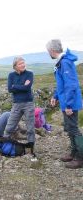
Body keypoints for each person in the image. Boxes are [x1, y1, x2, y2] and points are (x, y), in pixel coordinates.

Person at [46, 39, 83, 169]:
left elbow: (71, 85)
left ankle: (80, 158)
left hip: (70, 102)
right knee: (69, 128)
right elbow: (61, 84)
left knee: (73, 129)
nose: (48, 53)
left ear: (52, 51)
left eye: (48, 51)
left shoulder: (65, 63)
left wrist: (68, 105)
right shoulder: (60, 63)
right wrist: (55, 96)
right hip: (65, 101)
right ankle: (74, 153)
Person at [2, 57, 35, 147]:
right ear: (15, 66)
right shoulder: (11, 75)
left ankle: (30, 147)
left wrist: (15, 86)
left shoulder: (29, 74)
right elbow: (10, 89)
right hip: (16, 104)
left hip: (28, 103)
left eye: (23, 63)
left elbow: (27, 88)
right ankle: (5, 145)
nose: (23, 65)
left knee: (30, 128)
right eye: (20, 63)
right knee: (9, 127)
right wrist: (22, 86)